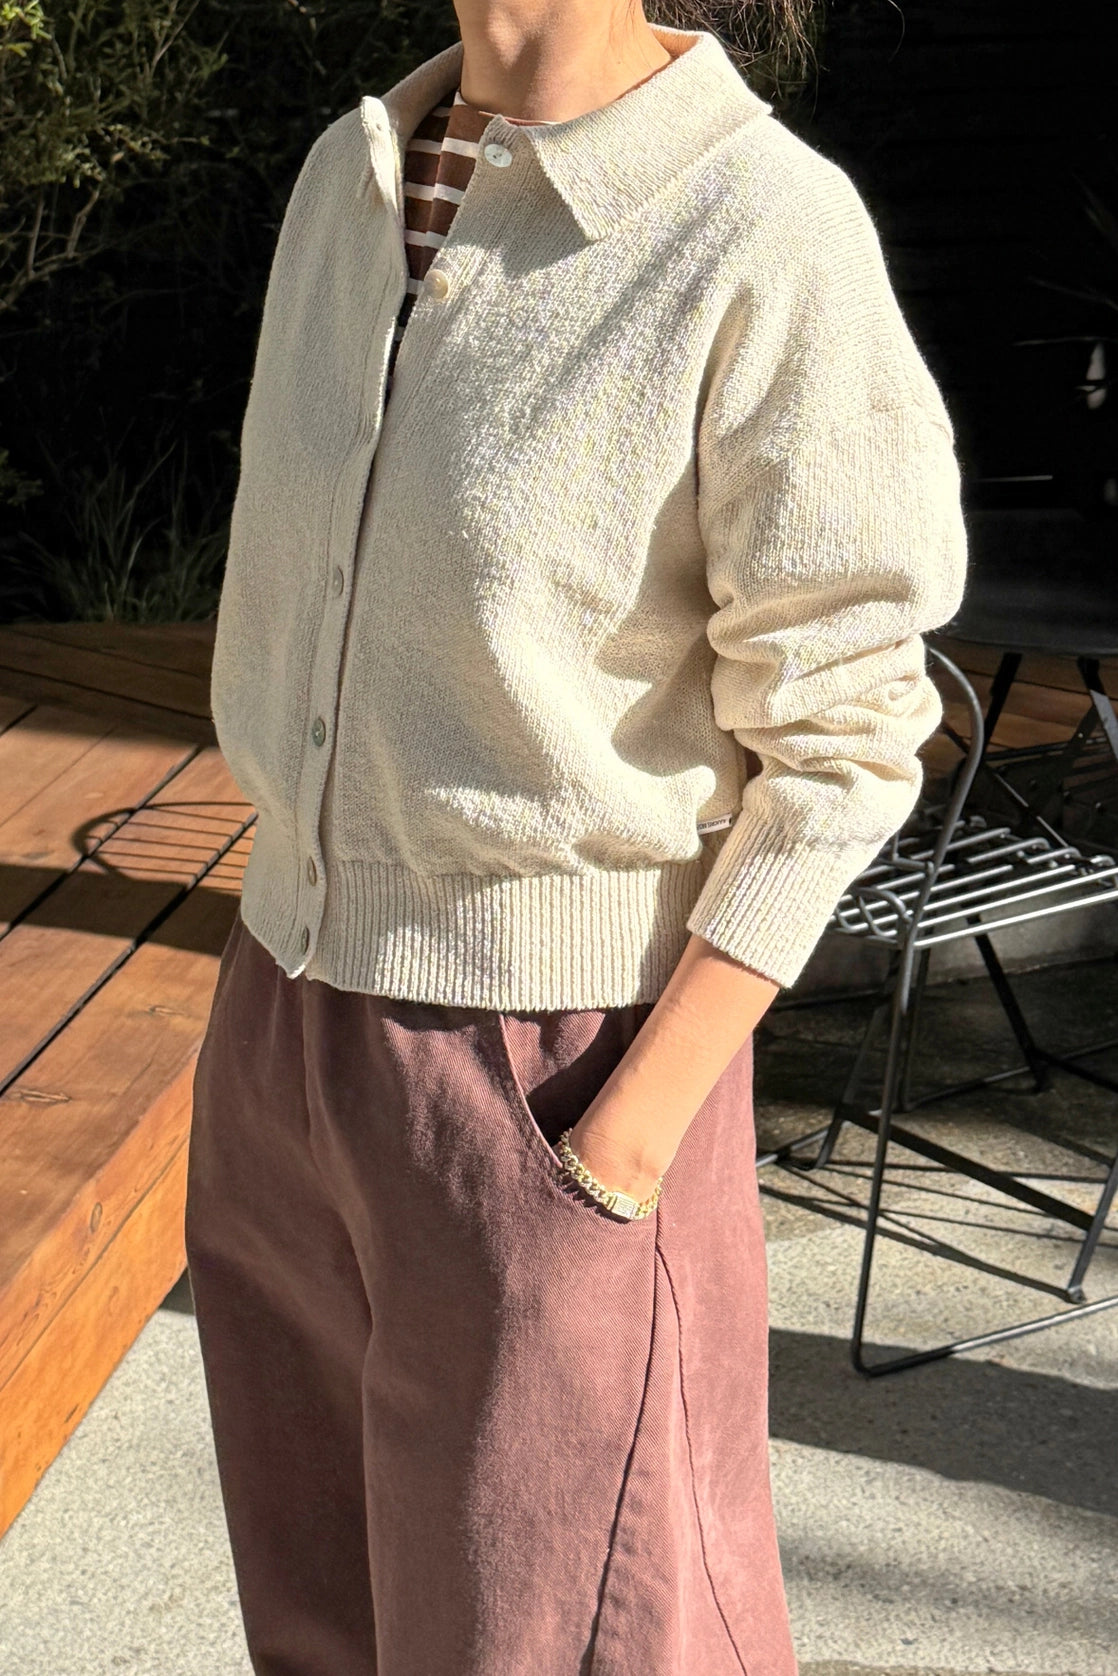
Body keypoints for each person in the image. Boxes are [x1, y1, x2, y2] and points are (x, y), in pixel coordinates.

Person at [184, 1, 968, 1672]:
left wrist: (625, 1142)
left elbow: (847, 731)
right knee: (321, 1628)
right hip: (280, 1023)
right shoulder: (352, 175)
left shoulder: (758, 223)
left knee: (552, 1640)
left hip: (552, 1063)